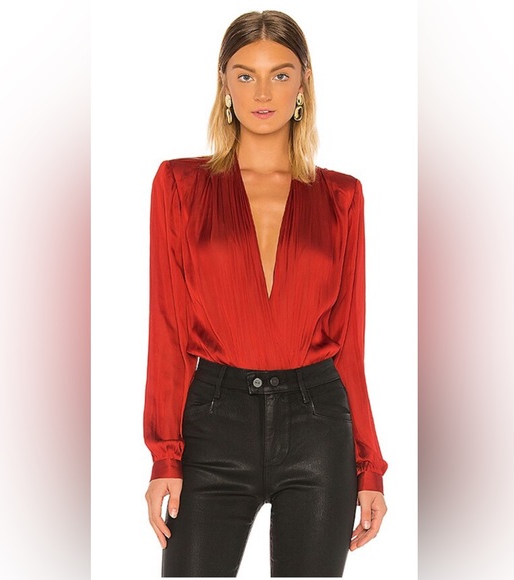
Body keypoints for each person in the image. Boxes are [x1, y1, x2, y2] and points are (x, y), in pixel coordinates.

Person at [143, 10, 388, 577]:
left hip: (318, 425)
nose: (262, 92)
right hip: (213, 424)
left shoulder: (342, 197)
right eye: (245, 74)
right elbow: (168, 329)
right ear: (224, 83)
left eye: (280, 74)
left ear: (303, 83)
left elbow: (349, 345)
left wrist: (368, 466)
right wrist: (165, 457)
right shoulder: (180, 186)